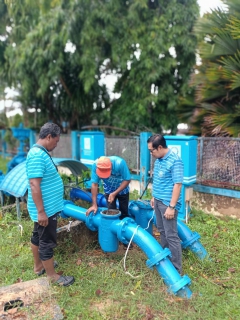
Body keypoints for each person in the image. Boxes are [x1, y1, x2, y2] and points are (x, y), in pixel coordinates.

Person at [26, 122, 75, 286]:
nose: (57, 143)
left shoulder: (40, 153)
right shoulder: (37, 155)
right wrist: (41, 212)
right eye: (56, 140)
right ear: (48, 137)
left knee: (37, 236)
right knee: (46, 241)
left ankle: (39, 266)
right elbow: (34, 184)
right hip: (44, 210)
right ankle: (52, 276)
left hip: (45, 208)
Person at [147, 134, 183, 274]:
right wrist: (154, 197)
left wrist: (171, 207)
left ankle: (175, 269)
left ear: (160, 147)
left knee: (171, 236)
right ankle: (166, 259)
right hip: (158, 201)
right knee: (162, 231)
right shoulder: (159, 160)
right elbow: (159, 181)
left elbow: (177, 185)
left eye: (152, 150)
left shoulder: (175, 161)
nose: (151, 153)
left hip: (168, 204)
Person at [86, 156, 132, 247]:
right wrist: (94, 204)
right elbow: (94, 184)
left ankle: (126, 240)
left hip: (123, 190)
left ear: (111, 167)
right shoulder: (96, 165)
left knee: (124, 213)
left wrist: (115, 193)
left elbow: (127, 179)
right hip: (108, 189)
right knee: (111, 213)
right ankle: (113, 240)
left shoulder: (119, 163)